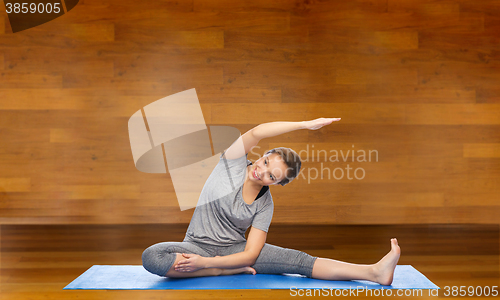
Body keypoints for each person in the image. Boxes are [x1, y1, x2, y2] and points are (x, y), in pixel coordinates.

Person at [142, 118, 401, 285]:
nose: (261, 171)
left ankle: (374, 272)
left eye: (271, 175)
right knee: (152, 257)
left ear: (276, 183)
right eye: (265, 162)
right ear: (263, 154)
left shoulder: (265, 204)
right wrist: (304, 125)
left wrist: (206, 264)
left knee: (299, 261)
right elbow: (257, 131)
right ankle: (221, 273)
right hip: (196, 245)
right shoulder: (231, 164)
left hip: (235, 252)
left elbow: (251, 254)